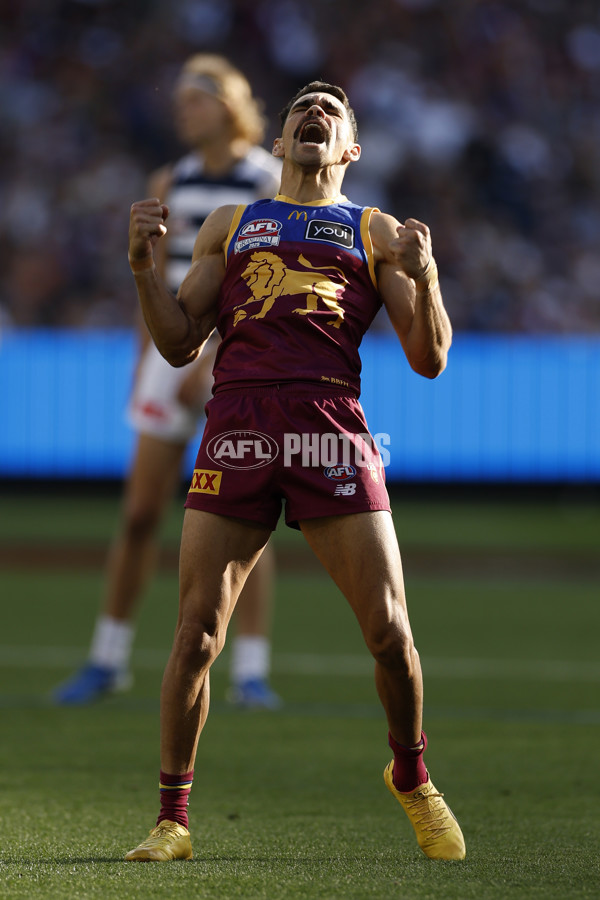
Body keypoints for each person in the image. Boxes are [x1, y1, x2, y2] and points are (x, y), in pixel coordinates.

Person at [124, 80, 466, 862]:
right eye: (301, 111)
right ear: (278, 144)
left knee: (388, 631)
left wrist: (430, 273)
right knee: (195, 635)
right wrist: (143, 267)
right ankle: (172, 820)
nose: (314, 114)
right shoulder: (230, 224)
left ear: (349, 149)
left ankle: (411, 776)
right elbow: (179, 343)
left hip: (330, 431)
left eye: (332, 113)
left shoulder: (374, 231)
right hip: (237, 427)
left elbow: (430, 359)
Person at [53, 55, 282, 710]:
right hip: (167, 360)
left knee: (248, 522)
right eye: (180, 101)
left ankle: (250, 671)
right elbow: (150, 284)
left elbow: (260, 289)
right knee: (139, 514)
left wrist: (209, 360)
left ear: (229, 106)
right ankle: (108, 657)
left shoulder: (265, 182)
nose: (184, 111)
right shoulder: (170, 180)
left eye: (197, 100)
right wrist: (142, 363)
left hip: (232, 364)